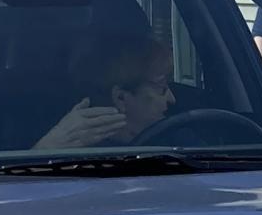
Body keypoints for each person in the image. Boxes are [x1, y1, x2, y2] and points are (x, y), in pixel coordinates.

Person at [35, 34, 174, 150]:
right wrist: (44, 151)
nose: (172, 99)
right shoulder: (65, 155)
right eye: (162, 88)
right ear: (120, 98)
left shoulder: (184, 146)